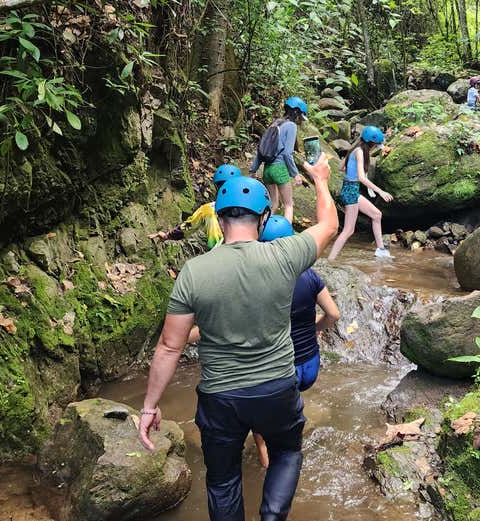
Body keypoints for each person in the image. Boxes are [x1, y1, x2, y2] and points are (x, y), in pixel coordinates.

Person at [138, 155, 338, 521]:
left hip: (220, 398)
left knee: (223, 481)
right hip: (276, 389)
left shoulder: (194, 272)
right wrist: (321, 179)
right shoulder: (285, 255)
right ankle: (272, 516)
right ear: (264, 218)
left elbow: (170, 345)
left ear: (219, 217)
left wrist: (150, 405)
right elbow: (329, 224)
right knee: (287, 453)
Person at [251, 215, 341, 468]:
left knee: (259, 412)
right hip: (309, 367)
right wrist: (313, 330)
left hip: (282, 369)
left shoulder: (259, 282)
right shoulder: (309, 276)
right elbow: (333, 314)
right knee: (289, 402)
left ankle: (265, 458)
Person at [327, 125, 394, 260]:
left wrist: (352, 169)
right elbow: (362, 178)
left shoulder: (355, 149)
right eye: (376, 145)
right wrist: (380, 191)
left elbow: (341, 167)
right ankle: (330, 259)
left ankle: (380, 249)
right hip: (351, 191)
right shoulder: (359, 152)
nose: (376, 147)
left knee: (376, 215)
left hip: (350, 190)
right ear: (372, 142)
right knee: (348, 230)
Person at [148, 164, 242, 248]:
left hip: (217, 257)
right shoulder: (249, 208)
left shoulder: (207, 209)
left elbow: (187, 227)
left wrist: (166, 236)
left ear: (216, 187)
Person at [251, 96, 308, 224]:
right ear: (296, 112)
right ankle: (287, 236)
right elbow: (288, 153)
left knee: (274, 205)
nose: (301, 121)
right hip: (279, 169)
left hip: (267, 170)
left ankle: (261, 230)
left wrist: (253, 169)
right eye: (301, 117)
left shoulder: (275, 123)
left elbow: (262, 148)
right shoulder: (291, 126)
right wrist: (295, 174)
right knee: (289, 204)